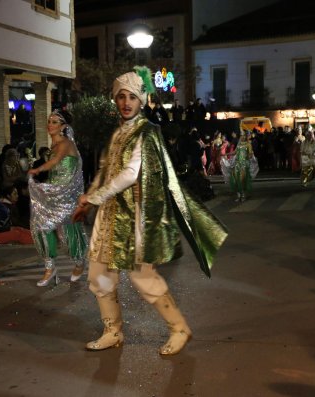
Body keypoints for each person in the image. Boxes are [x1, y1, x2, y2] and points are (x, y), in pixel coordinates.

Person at [73, 67, 227, 355]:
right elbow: (105, 171)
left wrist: (95, 198)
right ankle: (112, 331)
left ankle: (179, 328)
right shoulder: (117, 133)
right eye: (121, 96)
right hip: (109, 216)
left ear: (141, 100)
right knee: (99, 274)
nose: (126, 102)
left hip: (135, 216)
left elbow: (131, 174)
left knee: (142, 277)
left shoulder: (147, 132)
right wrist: (88, 200)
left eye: (132, 96)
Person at [27, 109, 88, 287]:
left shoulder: (65, 144)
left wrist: (37, 170)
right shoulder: (53, 146)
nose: (50, 124)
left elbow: (55, 162)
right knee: (41, 225)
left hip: (68, 196)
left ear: (63, 126)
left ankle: (79, 263)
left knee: (70, 231)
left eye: (54, 122)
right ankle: (50, 267)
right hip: (54, 194)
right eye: (49, 121)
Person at [221, 130, 259, 202]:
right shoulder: (239, 144)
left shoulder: (248, 144)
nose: (242, 137)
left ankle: (243, 195)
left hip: (244, 164)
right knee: (235, 179)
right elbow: (234, 152)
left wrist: (249, 156)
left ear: (245, 136)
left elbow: (250, 153)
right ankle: (238, 195)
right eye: (241, 135)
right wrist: (226, 154)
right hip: (237, 164)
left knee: (242, 180)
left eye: (243, 135)